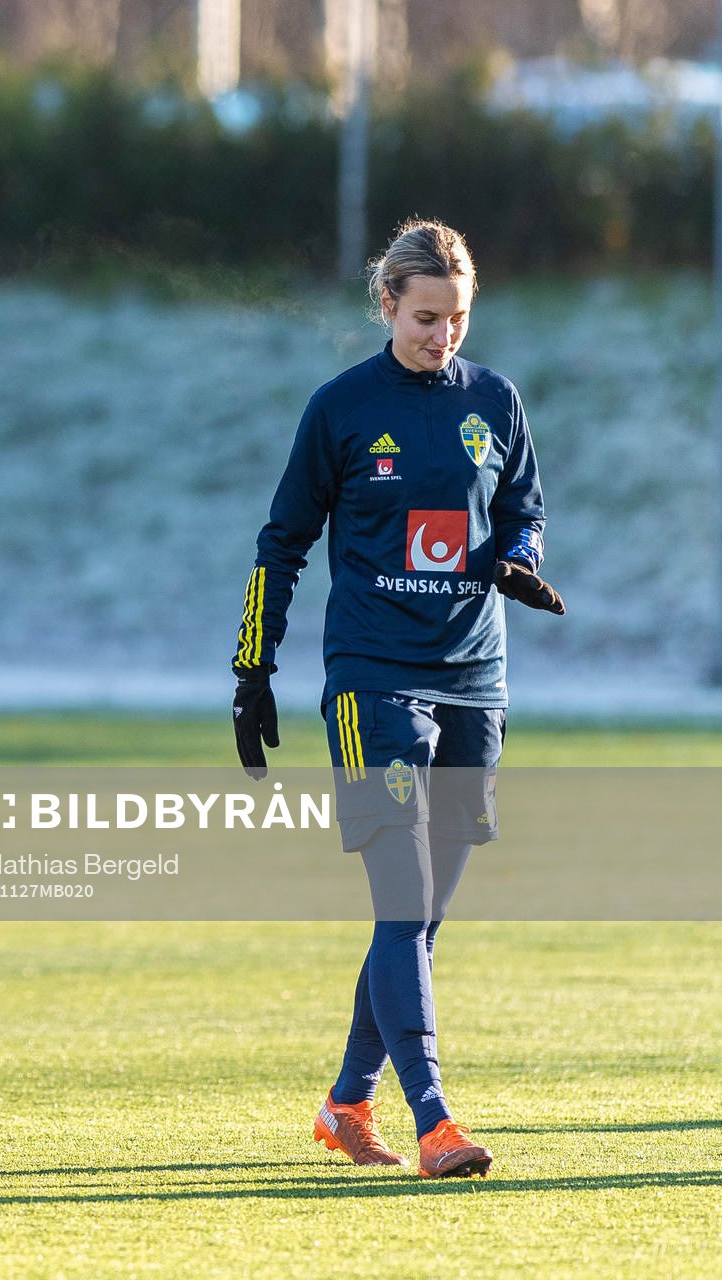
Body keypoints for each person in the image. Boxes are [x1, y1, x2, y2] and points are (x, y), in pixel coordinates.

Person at [230, 219, 565, 1179]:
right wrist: (254, 670)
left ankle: (345, 1103)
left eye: (457, 318)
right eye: (425, 318)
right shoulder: (340, 409)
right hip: (374, 680)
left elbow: (523, 508)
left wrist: (519, 560)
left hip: (475, 681)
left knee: (418, 920)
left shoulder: (495, 401)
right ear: (386, 305)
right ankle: (434, 1121)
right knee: (403, 899)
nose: (442, 336)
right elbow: (281, 543)